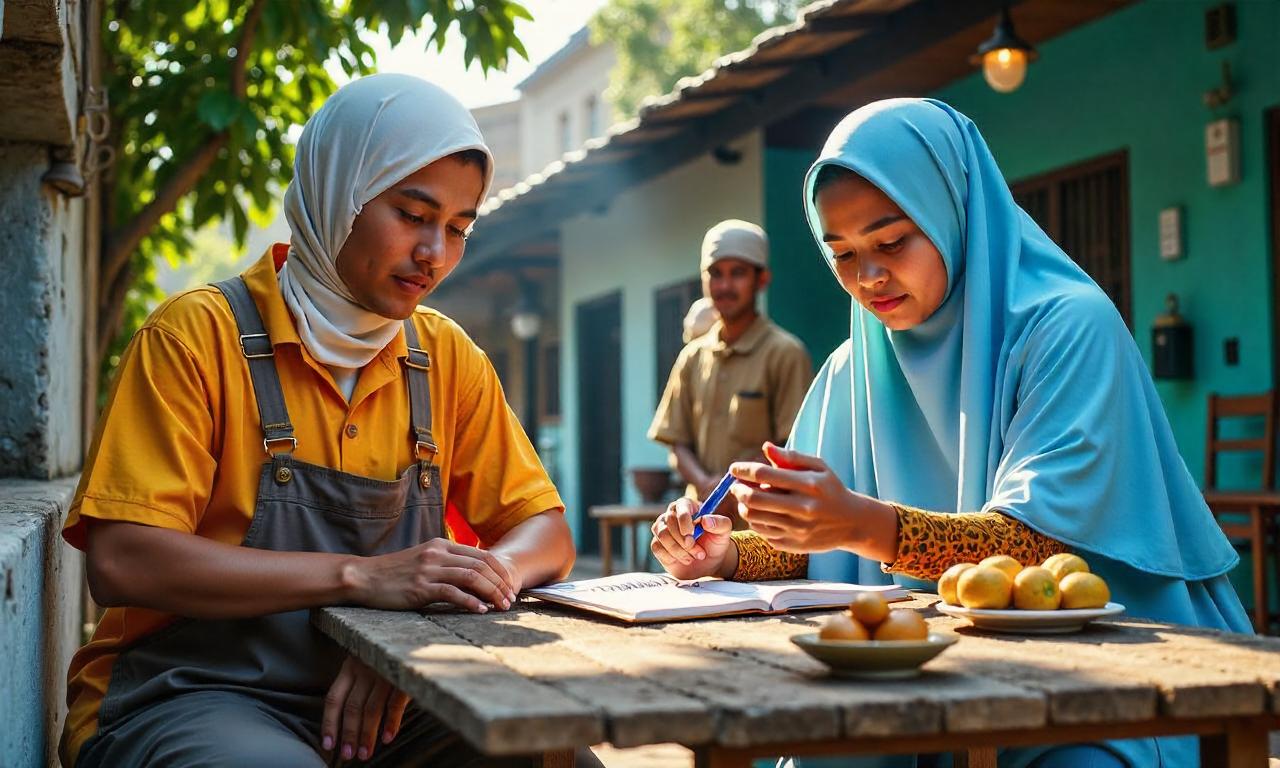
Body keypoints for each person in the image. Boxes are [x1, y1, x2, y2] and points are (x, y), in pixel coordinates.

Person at [650, 99, 1250, 768]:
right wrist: (728, 557)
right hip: (922, 677)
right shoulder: (855, 367)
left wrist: (857, 523)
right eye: (842, 254)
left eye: (892, 240)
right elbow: (829, 553)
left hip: (1106, 676)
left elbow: (1035, 547)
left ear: (952, 208)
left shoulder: (1067, 330)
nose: (868, 277)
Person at [61, 74, 585, 768]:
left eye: (458, 228)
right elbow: (124, 559)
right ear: (338, 193)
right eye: (412, 213)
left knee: (548, 752)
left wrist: (418, 622)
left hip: (394, 694)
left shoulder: (446, 356)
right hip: (188, 690)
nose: (435, 253)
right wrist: (362, 581)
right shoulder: (196, 337)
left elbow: (544, 531)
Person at [649, 219, 813, 525]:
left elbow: (790, 446)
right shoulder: (692, 357)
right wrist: (705, 484)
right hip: (698, 525)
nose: (724, 286)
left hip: (764, 532)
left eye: (737, 273)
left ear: (762, 279)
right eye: (715, 274)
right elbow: (677, 440)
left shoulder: (785, 353)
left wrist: (731, 485)